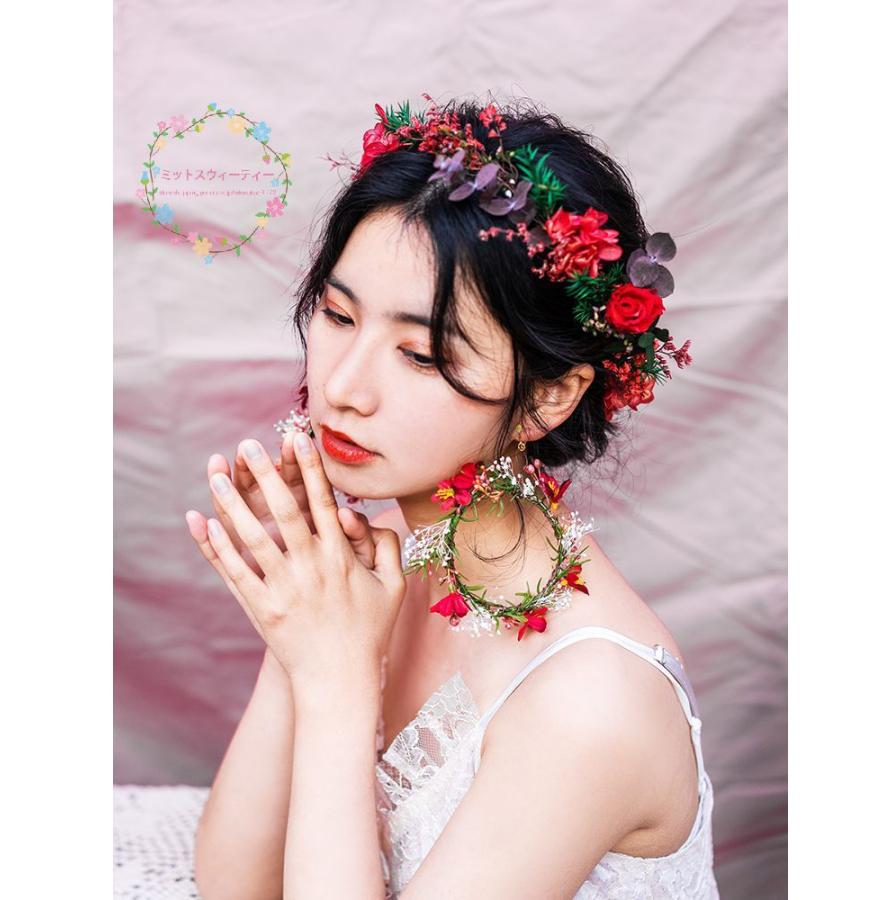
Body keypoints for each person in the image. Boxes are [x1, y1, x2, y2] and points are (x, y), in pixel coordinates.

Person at [186, 94, 719, 898]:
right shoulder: (387, 567)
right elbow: (234, 886)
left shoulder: (593, 699)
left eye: (422, 355)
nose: (343, 387)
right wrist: (303, 619)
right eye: (337, 314)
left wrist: (335, 687)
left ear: (549, 396)